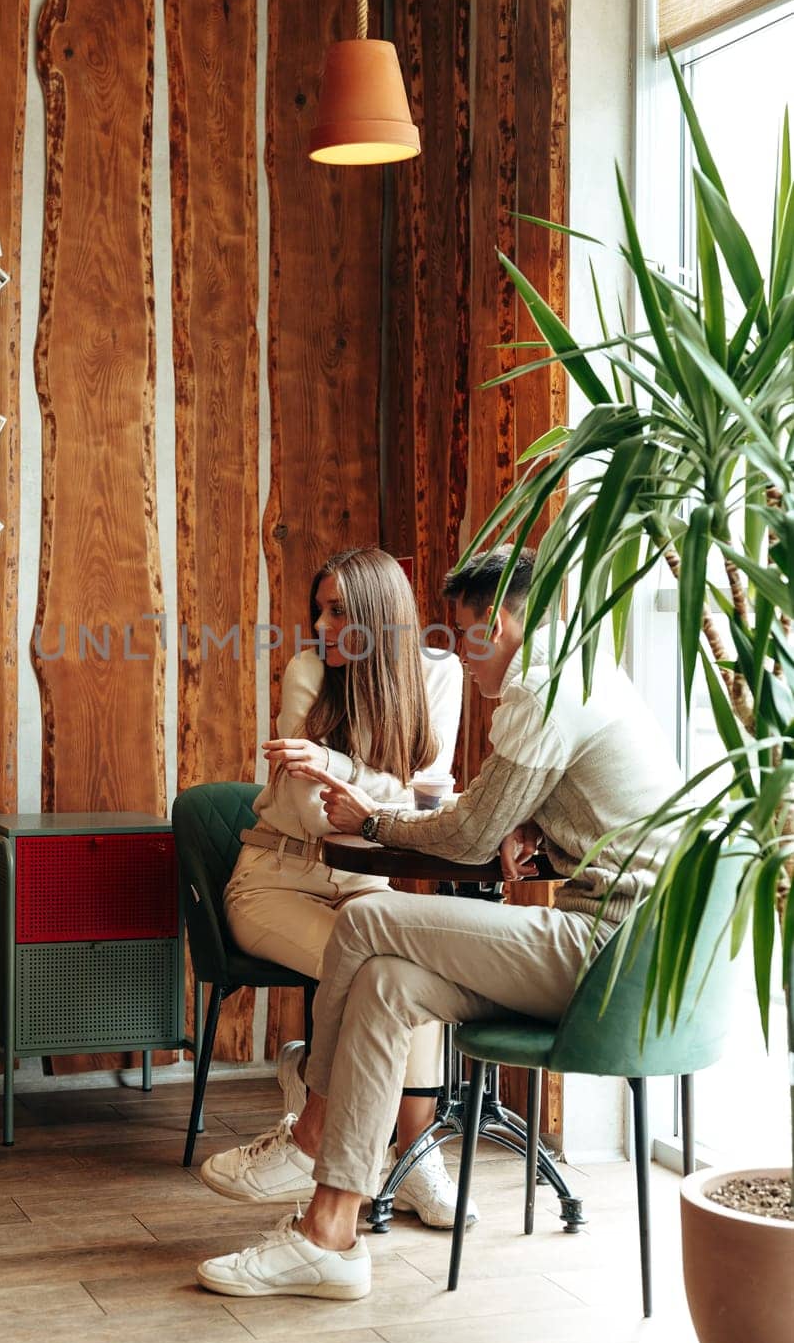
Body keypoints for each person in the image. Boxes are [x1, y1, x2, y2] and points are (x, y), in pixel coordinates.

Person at [195, 544, 683, 1299]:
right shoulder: (580, 671)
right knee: (388, 984)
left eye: (463, 634)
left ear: (495, 625)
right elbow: (490, 813)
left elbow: (461, 832)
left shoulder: (541, 689)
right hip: (627, 947)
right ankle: (329, 1237)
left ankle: (311, 1135)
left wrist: (382, 819)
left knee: (369, 923)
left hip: (609, 950)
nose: (459, 653)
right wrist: (536, 828)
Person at [200, 546, 465, 1227]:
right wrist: (364, 781)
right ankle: (323, 1119)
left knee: (411, 973)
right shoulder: (309, 671)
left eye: (338, 610)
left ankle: (413, 1158)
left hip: (367, 879)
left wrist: (331, 762)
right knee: (373, 979)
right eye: (318, 609)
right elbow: (326, 810)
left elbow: (419, 803)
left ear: (381, 613)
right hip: (273, 881)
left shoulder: (438, 673)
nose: (321, 625)